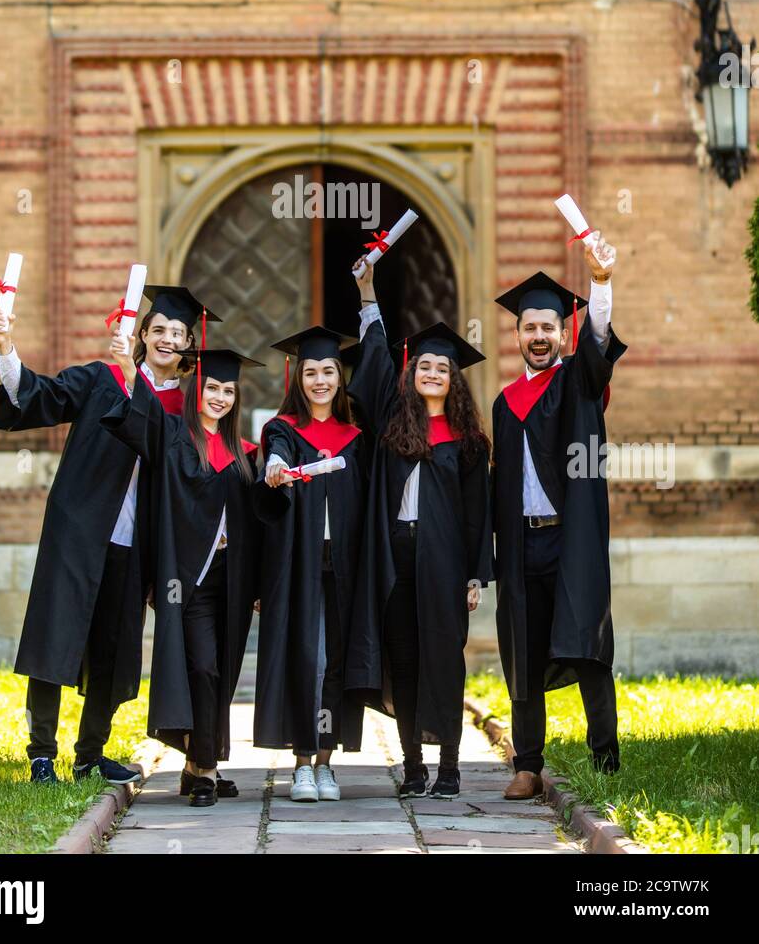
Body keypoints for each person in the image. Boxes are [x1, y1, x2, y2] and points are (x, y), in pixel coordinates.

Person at [0, 282, 212, 785]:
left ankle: (90, 754)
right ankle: (41, 753)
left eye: (178, 332)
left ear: (190, 345)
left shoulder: (189, 409)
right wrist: (6, 348)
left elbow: (171, 451)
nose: (168, 339)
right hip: (78, 530)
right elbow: (39, 396)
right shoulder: (102, 379)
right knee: (55, 636)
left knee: (113, 651)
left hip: (137, 545)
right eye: (160, 330)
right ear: (142, 336)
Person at [346, 258, 493, 800]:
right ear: (412, 372)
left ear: (454, 378)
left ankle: (449, 767)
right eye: (424, 365)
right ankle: (412, 767)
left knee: (444, 659)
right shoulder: (392, 420)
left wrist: (476, 574)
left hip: (446, 561)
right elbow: (377, 354)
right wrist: (367, 290)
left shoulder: (469, 442)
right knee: (403, 660)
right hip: (394, 556)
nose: (432, 372)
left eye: (442, 368)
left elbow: (479, 513)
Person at [491, 235, 626, 800]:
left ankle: (606, 758)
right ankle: (527, 764)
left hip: (571, 542)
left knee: (588, 644)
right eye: (530, 328)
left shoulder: (578, 382)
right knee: (521, 651)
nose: (539, 336)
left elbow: (598, 344)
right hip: (521, 545)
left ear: (562, 332)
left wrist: (599, 283)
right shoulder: (503, 403)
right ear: (517, 334)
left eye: (549, 327)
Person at [102, 336, 263, 808]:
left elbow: (255, 522)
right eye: (212, 387)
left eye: (229, 392)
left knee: (221, 672)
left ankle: (196, 767)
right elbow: (142, 414)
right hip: (186, 580)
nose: (220, 397)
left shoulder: (243, 451)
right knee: (202, 666)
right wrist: (126, 367)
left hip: (231, 581)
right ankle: (208, 769)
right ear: (197, 390)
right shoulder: (174, 436)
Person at [252, 325, 367, 803]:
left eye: (328, 371)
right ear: (297, 378)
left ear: (340, 378)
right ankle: (301, 761)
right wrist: (276, 469)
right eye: (311, 372)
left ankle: (326, 762)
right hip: (298, 566)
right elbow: (274, 459)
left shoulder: (357, 437)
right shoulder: (281, 431)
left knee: (337, 660)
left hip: (344, 565)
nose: (319, 380)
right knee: (308, 659)